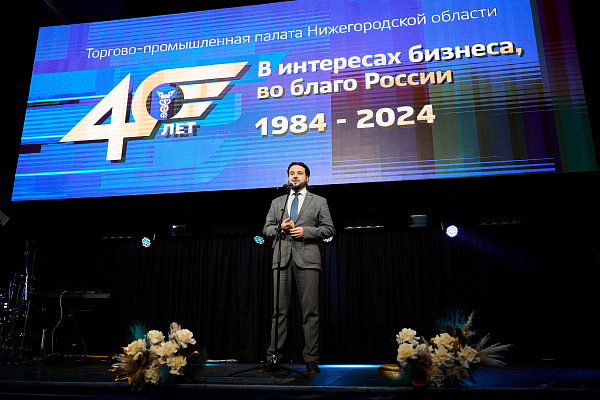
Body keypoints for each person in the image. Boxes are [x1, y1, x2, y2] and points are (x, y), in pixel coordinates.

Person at [261, 162, 335, 374]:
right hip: (281, 259)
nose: (295, 176)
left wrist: (306, 231)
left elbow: (329, 229)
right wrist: (279, 228)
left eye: (299, 173)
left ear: (307, 178)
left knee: (310, 312)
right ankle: (274, 358)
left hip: (308, 260)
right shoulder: (278, 202)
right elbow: (266, 230)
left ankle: (311, 359)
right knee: (279, 312)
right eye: (291, 173)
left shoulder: (319, 201)